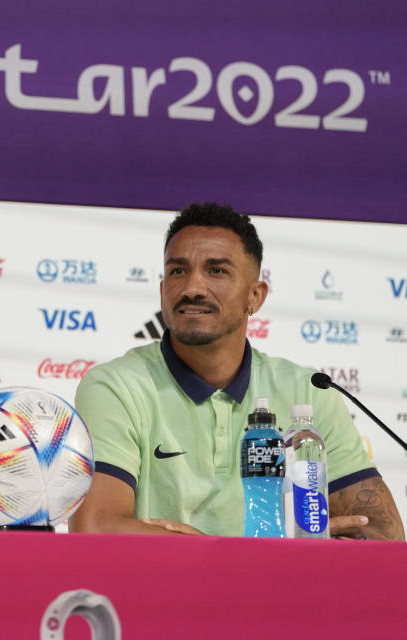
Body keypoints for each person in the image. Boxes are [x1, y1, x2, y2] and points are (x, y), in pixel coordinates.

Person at [69, 203, 404, 540]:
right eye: (177, 271)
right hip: (162, 591)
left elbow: (383, 533)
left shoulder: (309, 392)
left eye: (217, 271)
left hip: (282, 593)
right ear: (161, 291)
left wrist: (215, 552)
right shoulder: (115, 387)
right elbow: (96, 528)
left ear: (255, 296)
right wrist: (250, 554)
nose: (192, 288)